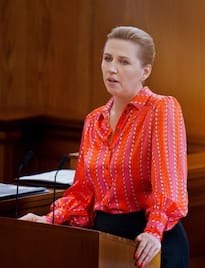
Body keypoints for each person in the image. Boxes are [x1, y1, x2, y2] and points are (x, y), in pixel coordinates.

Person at [20, 26, 189, 268]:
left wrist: (154, 230)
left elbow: (169, 183)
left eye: (123, 61)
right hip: (103, 240)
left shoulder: (161, 108)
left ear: (145, 71)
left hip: (151, 242)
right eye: (107, 58)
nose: (111, 68)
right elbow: (83, 192)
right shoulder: (93, 119)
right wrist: (48, 219)